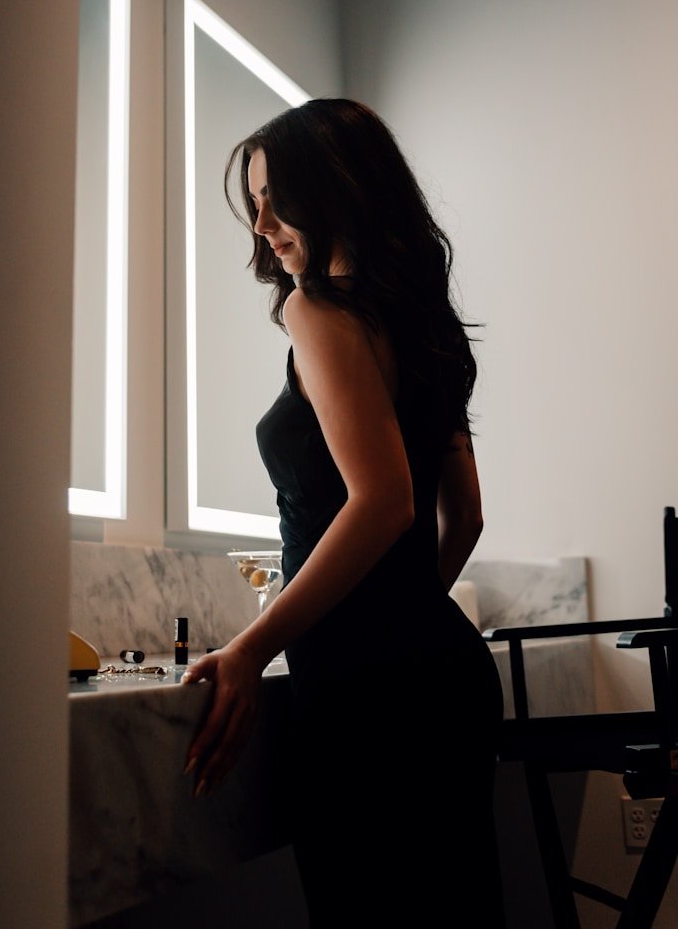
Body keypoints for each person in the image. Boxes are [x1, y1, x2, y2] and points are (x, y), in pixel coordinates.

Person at [181, 98, 506, 926]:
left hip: (364, 697)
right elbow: (461, 519)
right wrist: (401, 617)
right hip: (444, 674)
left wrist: (252, 649)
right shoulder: (424, 323)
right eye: (252, 201)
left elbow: (385, 501)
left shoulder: (315, 311)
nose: (261, 224)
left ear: (335, 190)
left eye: (275, 196)